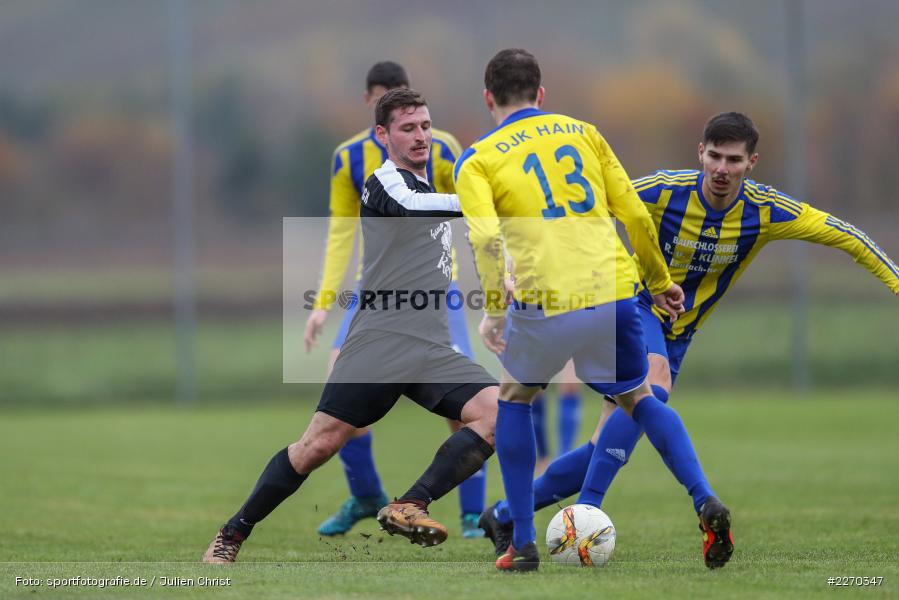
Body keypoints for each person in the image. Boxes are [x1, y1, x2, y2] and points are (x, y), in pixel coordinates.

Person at [480, 111, 899, 568]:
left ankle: (501, 515)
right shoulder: (664, 189)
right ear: (700, 153)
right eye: (714, 156)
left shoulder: (765, 210)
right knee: (651, 390)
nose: (721, 168)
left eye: (733, 160)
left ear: (751, 162)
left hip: (680, 334)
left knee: (607, 442)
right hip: (633, 308)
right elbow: (582, 204)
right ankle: (684, 504)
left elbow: (846, 236)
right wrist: (513, 262)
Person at [455, 48, 731, 572]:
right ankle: (703, 498)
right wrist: (659, 280)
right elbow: (630, 209)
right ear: (541, 93)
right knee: (639, 397)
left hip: (546, 299)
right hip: (614, 291)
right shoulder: (584, 132)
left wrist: (494, 309)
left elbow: (486, 239)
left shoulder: (479, 159)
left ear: (488, 98)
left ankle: (522, 541)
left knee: (514, 401)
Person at [203, 89, 499, 563]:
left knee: (496, 414)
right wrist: (485, 200)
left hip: (429, 346)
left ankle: (409, 504)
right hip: (379, 344)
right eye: (408, 128)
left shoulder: (428, 189)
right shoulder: (386, 185)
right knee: (316, 446)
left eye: (425, 125)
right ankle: (233, 532)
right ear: (382, 134)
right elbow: (419, 210)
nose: (421, 135)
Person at [303, 61, 488, 539]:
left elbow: (468, 217)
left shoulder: (443, 146)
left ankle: (470, 511)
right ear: (374, 110)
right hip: (376, 293)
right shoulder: (348, 158)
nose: (415, 131)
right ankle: (366, 494)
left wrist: (488, 282)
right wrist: (324, 300)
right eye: (393, 106)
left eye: (417, 116)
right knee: (335, 391)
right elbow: (341, 232)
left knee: (463, 403)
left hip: (435, 291)